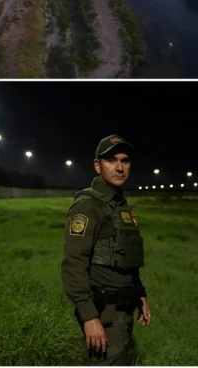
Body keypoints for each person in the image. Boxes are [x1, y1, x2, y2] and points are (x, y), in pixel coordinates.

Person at [62, 135, 151, 366]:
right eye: (112, 160)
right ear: (97, 165)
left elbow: (125, 255)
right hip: (103, 312)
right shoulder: (88, 205)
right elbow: (74, 262)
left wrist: (139, 292)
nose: (120, 167)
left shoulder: (120, 204)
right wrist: (89, 316)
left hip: (122, 309)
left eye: (125, 160)